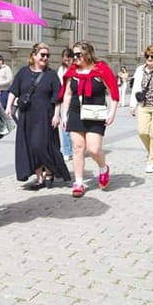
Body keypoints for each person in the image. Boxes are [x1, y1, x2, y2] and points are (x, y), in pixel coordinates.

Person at [59, 41, 119, 198]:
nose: (75, 58)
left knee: (93, 149)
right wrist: (64, 115)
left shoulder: (101, 70)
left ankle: (103, 167)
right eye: (74, 55)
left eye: (78, 54)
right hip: (75, 112)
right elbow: (67, 94)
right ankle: (78, 182)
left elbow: (113, 92)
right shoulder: (72, 71)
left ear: (87, 54)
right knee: (78, 148)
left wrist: (112, 112)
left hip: (95, 113)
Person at [5, 43, 70, 188]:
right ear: (33, 56)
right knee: (30, 146)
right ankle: (39, 176)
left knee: (41, 145)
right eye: (42, 55)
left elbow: (58, 97)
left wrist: (57, 115)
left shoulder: (51, 74)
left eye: (47, 55)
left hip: (45, 116)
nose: (45, 58)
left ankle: (50, 171)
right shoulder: (23, 72)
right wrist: (8, 107)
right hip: (27, 115)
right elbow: (14, 90)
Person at [56, 48, 73, 162]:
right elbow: (60, 86)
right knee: (65, 125)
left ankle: (76, 147)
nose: (67, 62)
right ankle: (67, 150)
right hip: (64, 100)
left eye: (68, 60)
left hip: (76, 100)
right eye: (65, 60)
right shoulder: (61, 69)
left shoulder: (77, 68)